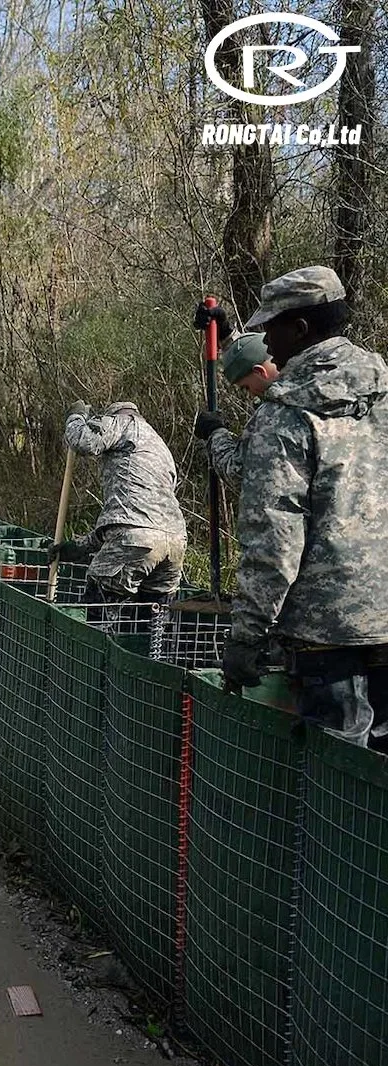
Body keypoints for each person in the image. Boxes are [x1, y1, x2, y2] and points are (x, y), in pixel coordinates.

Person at [221, 265, 388, 747]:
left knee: (336, 787)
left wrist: (247, 635)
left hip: (326, 630)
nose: (266, 344)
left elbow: (274, 538)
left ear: (299, 329)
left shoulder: (285, 416)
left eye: (271, 328)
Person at [51, 401, 187, 604]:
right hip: (175, 542)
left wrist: (76, 418)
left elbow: (84, 441)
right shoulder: (160, 447)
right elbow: (140, 520)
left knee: (99, 608)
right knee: (151, 623)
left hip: (135, 538)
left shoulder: (123, 423)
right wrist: (79, 548)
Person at [193, 332, 280, 483]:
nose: (251, 395)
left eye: (246, 387)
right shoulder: (306, 380)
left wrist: (216, 433)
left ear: (259, 372)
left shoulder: (272, 415)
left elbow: (237, 470)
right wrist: (226, 335)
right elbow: (253, 350)